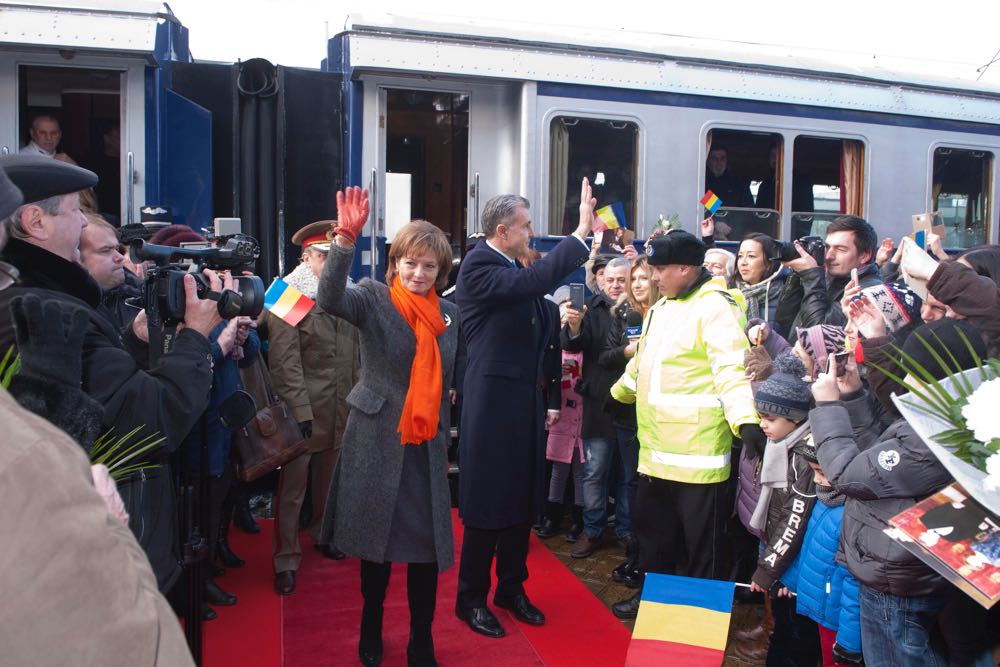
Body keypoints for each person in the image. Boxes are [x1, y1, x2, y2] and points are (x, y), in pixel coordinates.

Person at [0, 154, 194, 666]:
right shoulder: (42, 312)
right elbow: (152, 419)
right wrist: (196, 337)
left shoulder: (57, 303)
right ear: (34, 221)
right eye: (73, 212)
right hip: (102, 562)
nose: (84, 221)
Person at [317, 188, 460, 667]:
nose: (418, 274)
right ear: (395, 263)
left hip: (423, 445)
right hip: (376, 437)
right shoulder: (373, 300)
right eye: (410, 263)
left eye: (429, 267)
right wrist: (344, 240)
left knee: (423, 549)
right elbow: (329, 297)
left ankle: (422, 637)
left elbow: (449, 377)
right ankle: (371, 625)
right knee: (373, 548)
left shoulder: (449, 317)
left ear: (441, 272)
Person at [453, 180, 592, 639]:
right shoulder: (479, 265)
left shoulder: (512, 268)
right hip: (492, 405)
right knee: (488, 500)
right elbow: (533, 282)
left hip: (524, 405)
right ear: (502, 230)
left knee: (520, 499)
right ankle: (470, 598)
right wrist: (580, 234)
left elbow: (541, 324)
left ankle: (510, 588)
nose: (531, 233)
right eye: (526, 225)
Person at [809, 320, 993, 667]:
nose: (905, 380)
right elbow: (882, 464)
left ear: (933, 377)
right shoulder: (966, 410)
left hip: (900, 574)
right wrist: (852, 397)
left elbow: (848, 475)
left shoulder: (933, 435)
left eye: (912, 371)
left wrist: (829, 407)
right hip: (925, 565)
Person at [609, 230, 763, 618]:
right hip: (656, 454)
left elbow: (732, 368)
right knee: (656, 541)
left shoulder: (716, 307)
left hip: (698, 460)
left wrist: (746, 421)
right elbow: (644, 363)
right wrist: (618, 394)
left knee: (700, 550)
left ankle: (695, 623)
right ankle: (655, 608)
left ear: (685, 268)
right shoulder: (664, 307)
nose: (654, 277)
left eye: (659, 270)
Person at [270, 219, 360, 596]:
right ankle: (286, 558)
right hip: (305, 407)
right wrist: (301, 411)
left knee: (330, 480)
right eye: (324, 256)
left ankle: (323, 533)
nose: (331, 263)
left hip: (343, 403)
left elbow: (359, 353)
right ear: (306, 256)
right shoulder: (286, 294)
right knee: (293, 489)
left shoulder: (349, 294)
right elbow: (284, 361)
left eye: (337, 256)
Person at [746, 354, 821, 666]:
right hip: (781, 556)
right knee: (783, 625)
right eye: (760, 415)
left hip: (795, 566)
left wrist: (768, 570)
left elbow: (795, 519)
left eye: (770, 419)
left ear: (795, 418)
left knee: (794, 634)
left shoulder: (805, 456)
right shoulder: (781, 442)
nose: (763, 424)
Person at [562, 256, 633, 559]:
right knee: (594, 472)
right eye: (610, 279)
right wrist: (574, 327)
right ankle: (592, 530)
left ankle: (627, 531)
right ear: (601, 280)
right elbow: (574, 347)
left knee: (630, 476)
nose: (616, 285)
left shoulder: (643, 309)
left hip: (632, 407)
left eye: (622, 279)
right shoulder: (589, 308)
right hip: (598, 404)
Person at [601, 255, 659, 588]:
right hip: (627, 415)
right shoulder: (624, 315)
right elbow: (605, 357)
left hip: (658, 417)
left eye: (643, 278)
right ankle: (634, 556)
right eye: (633, 278)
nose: (636, 284)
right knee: (631, 486)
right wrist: (628, 352)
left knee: (649, 492)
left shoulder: (668, 314)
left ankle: (646, 560)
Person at [774, 215, 882, 331]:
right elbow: (784, 319)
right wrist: (797, 273)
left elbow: (817, 334)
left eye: (840, 249)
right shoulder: (828, 277)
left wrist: (811, 275)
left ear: (865, 255)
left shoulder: (868, 290)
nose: (829, 256)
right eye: (827, 247)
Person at [735, 232, 789, 335]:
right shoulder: (730, 293)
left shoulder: (785, 295)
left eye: (751, 256)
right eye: (740, 256)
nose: (743, 262)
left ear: (769, 262)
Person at [705, 144, 753, 208]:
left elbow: (749, 208)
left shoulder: (738, 183)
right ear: (708, 161)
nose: (719, 162)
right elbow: (716, 210)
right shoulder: (702, 182)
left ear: (727, 160)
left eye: (722, 158)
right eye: (714, 158)